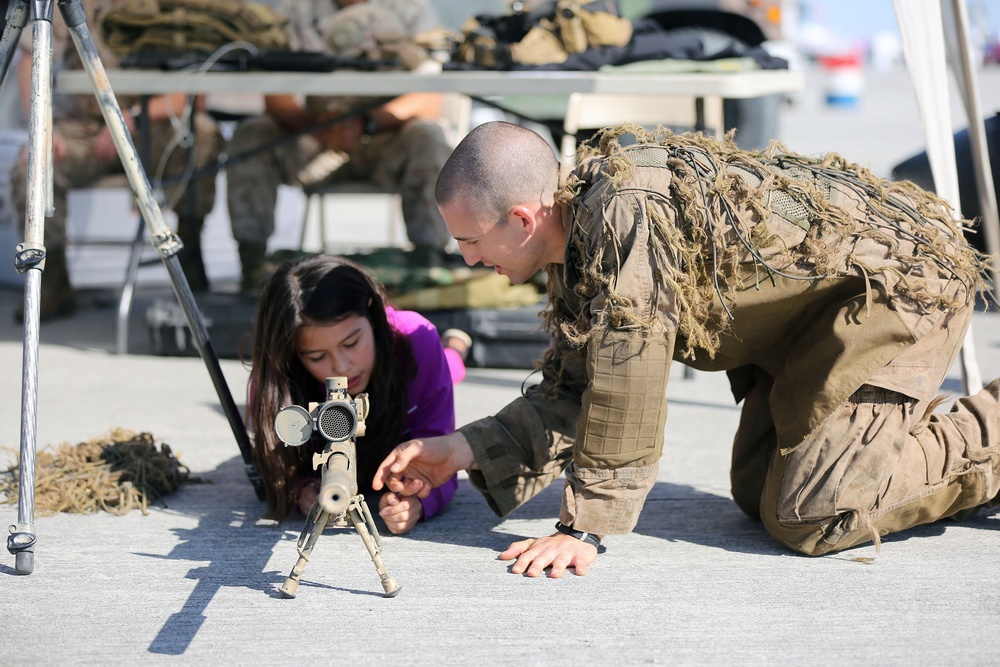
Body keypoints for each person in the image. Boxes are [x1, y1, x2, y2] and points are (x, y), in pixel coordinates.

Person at [374, 120, 1000, 576]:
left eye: (469, 240)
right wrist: (460, 450)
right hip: (816, 321)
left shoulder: (623, 220)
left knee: (816, 510)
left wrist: (586, 526)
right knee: (760, 493)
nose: (467, 259)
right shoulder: (577, 235)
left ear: (521, 219)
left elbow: (628, 375)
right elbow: (573, 392)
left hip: (900, 284)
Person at [9, 0, 223, 319]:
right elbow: (31, 56)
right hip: (88, 127)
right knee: (33, 166)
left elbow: (196, 86)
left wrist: (132, 117)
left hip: (150, 124)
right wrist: (42, 126)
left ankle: (190, 259)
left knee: (202, 134)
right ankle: (50, 281)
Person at [225, 0, 454, 293]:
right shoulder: (296, 10)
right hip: (315, 141)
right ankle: (252, 266)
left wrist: (367, 123)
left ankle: (428, 264)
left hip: (386, 140)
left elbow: (430, 99)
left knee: (428, 136)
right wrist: (315, 126)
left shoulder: (410, 10)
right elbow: (274, 96)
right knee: (252, 134)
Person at [248, 253, 467, 533]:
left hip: (419, 356)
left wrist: (420, 500)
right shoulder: (272, 383)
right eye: (316, 357)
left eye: (351, 343)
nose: (341, 367)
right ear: (292, 356)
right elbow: (274, 464)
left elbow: (441, 453)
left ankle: (455, 348)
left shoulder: (416, 339)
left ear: (373, 315)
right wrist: (299, 488)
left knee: (450, 366)